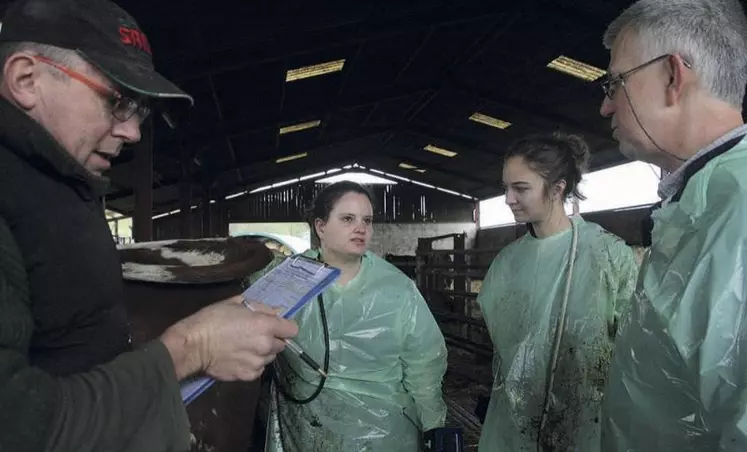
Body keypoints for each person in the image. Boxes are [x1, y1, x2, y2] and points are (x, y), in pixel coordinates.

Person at [0, 0, 298, 451]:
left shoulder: (60, 182)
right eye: (118, 101)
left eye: (139, 111)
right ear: (26, 79)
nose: (134, 133)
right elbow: (18, 426)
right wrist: (190, 348)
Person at [597, 0, 747, 450]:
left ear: (671, 76)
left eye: (614, 83)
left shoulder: (735, 210)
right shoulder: (704, 201)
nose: (606, 106)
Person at [246, 181, 448, 451]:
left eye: (367, 220)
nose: (361, 228)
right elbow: (246, 321)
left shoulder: (397, 289)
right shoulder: (288, 280)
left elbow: (424, 362)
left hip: (383, 433)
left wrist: (433, 424)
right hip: (307, 428)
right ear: (321, 227)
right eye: (348, 219)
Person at [476, 132, 639, 451]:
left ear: (557, 188)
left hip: (586, 422)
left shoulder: (606, 254)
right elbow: (502, 351)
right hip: (515, 421)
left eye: (520, 188)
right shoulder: (507, 263)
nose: (509, 198)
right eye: (506, 188)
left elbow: (633, 347)